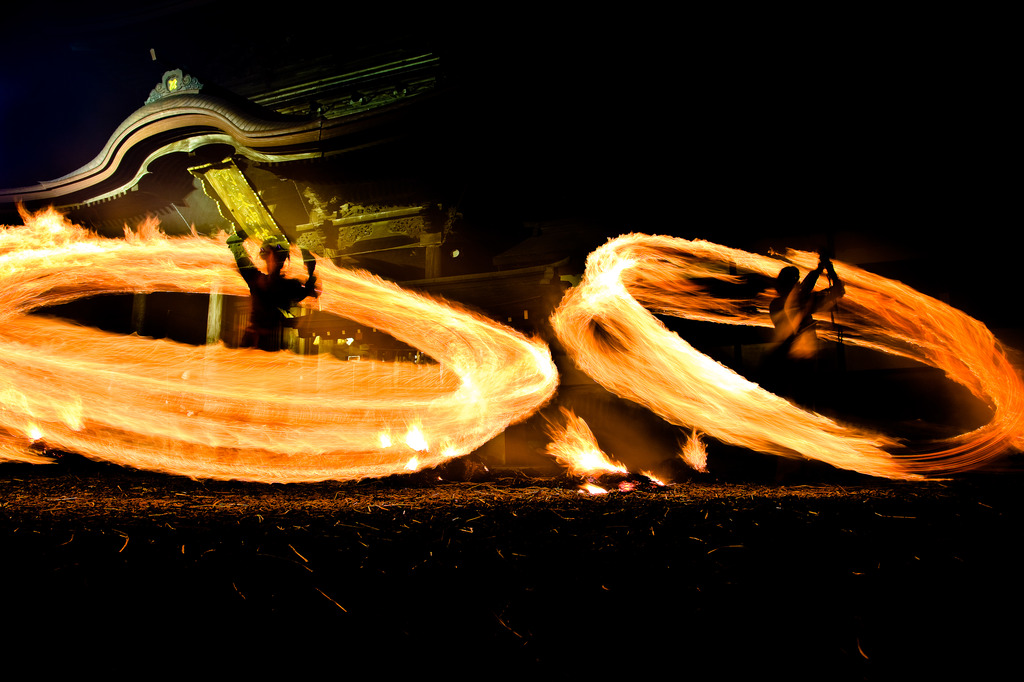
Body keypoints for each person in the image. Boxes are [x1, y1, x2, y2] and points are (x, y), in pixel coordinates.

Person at [227, 226, 318, 351]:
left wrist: (249, 230)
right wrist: (309, 262)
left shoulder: (258, 282)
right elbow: (310, 289)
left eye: (273, 253)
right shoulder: (287, 287)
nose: (271, 258)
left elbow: (234, 244)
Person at [769, 253, 845, 361]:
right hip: (800, 355)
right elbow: (806, 292)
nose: (799, 284)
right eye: (796, 281)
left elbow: (807, 290)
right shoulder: (787, 303)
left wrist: (821, 269)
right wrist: (824, 269)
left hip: (797, 355)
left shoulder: (778, 304)